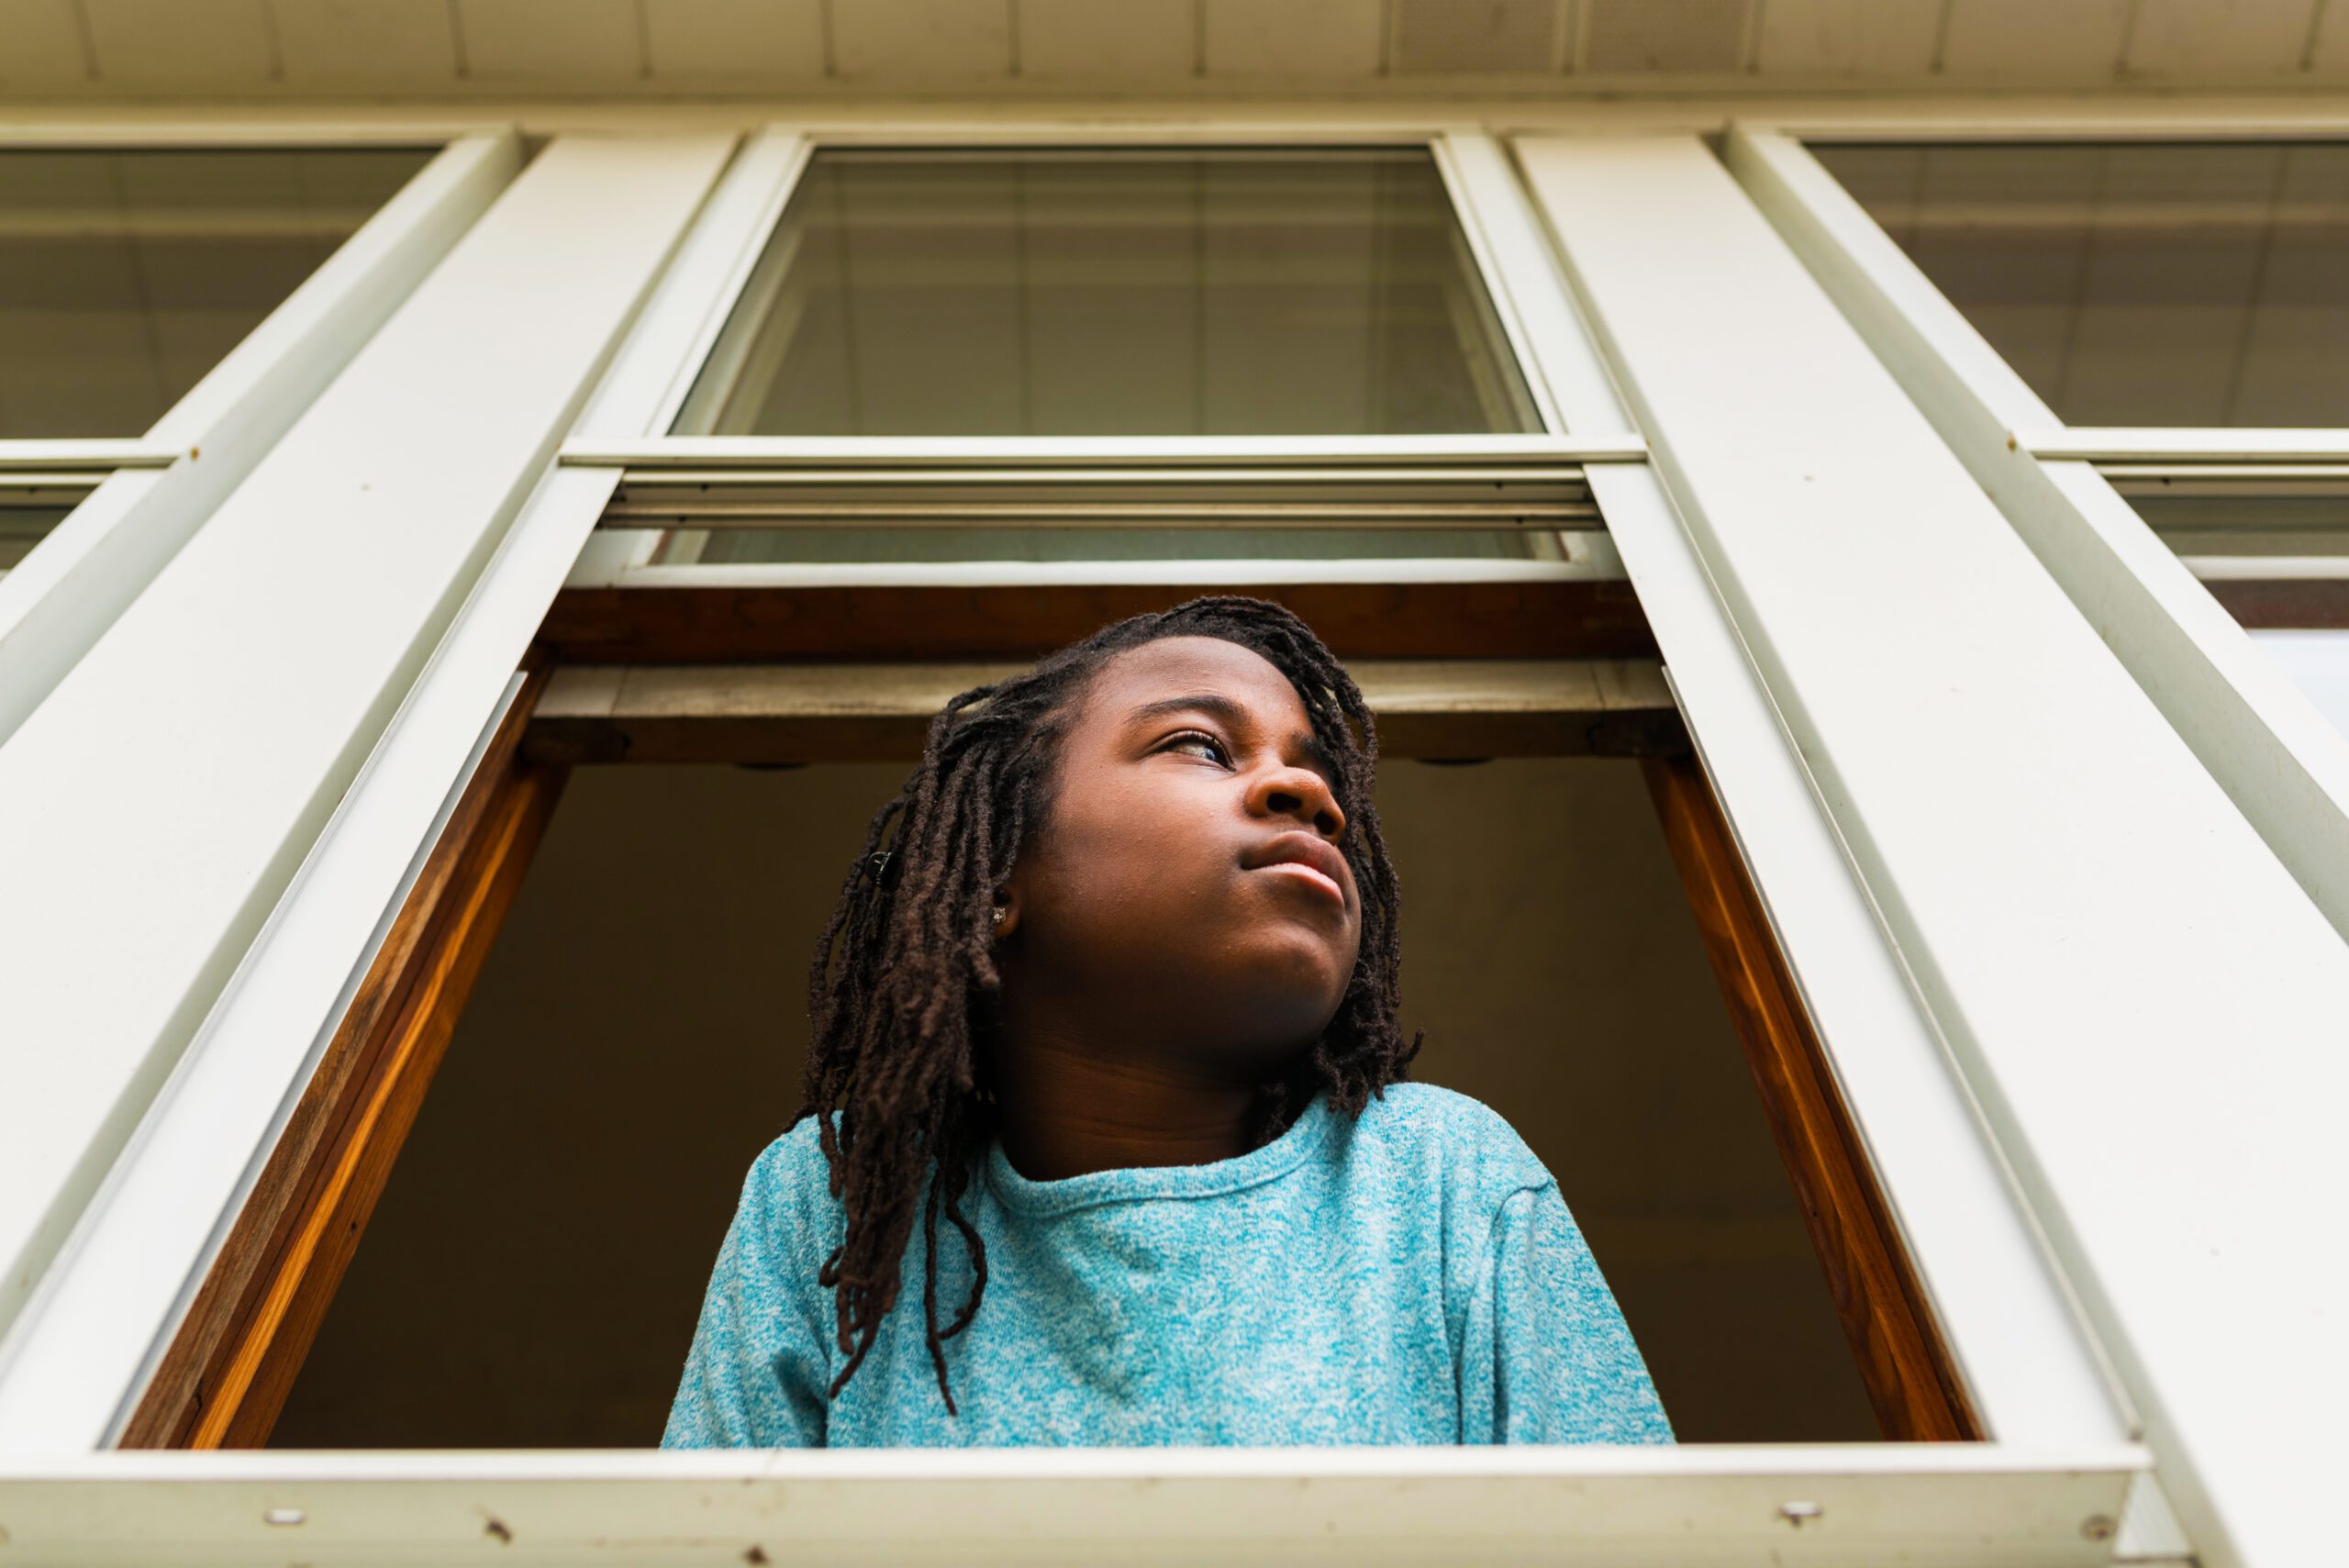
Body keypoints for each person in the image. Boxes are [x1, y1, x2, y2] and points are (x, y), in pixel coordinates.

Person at [661, 596, 1671, 1449]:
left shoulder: (1438, 1179)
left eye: (1322, 787)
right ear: (996, 876)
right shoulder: (828, 1199)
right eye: (1201, 744)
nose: (1307, 794)